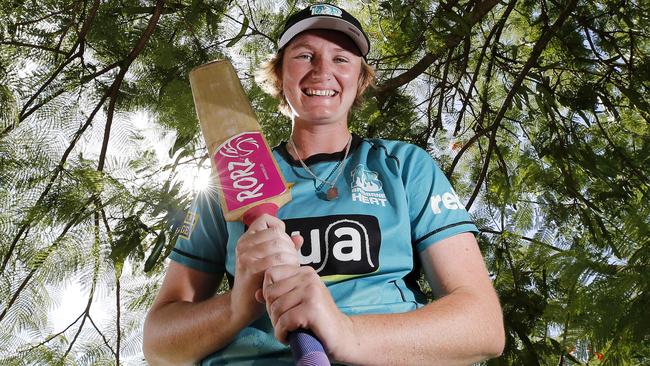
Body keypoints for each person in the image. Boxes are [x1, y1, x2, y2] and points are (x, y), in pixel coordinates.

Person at [143, 3, 505, 365]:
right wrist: (237, 306)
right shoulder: (232, 179)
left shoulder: (403, 166)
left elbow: (482, 327)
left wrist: (347, 333)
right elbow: (158, 344)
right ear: (279, 75)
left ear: (361, 78)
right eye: (304, 56)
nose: (322, 71)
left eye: (342, 59)